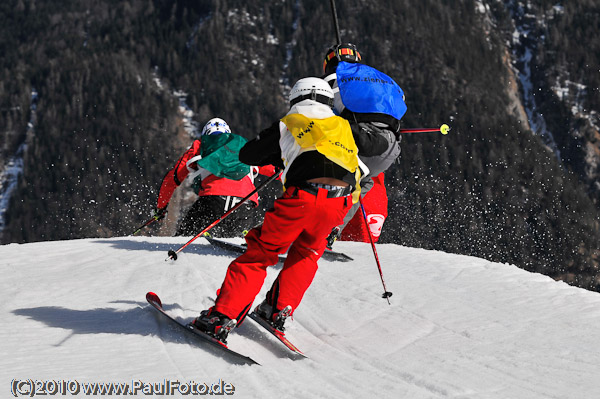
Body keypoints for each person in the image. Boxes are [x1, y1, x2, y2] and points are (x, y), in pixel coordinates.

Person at [192, 77, 362, 342]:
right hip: (340, 201)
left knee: (261, 252)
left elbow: (248, 155)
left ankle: (221, 317)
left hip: (303, 196)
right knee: (307, 254)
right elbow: (360, 171)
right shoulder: (344, 127)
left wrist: (280, 153)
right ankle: (277, 310)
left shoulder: (289, 123)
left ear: (296, 99)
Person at [321, 43, 407, 248]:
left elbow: (321, 111)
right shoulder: (384, 78)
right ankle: (332, 229)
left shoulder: (334, 79)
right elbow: (400, 104)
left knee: (313, 173)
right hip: (390, 147)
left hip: (361, 139)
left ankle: (290, 230)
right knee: (363, 182)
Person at [154, 117, 275, 238]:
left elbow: (172, 179)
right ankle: (242, 236)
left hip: (212, 201)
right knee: (232, 241)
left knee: (183, 237)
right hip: (244, 205)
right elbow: (276, 170)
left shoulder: (200, 146)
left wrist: (161, 208)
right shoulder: (244, 147)